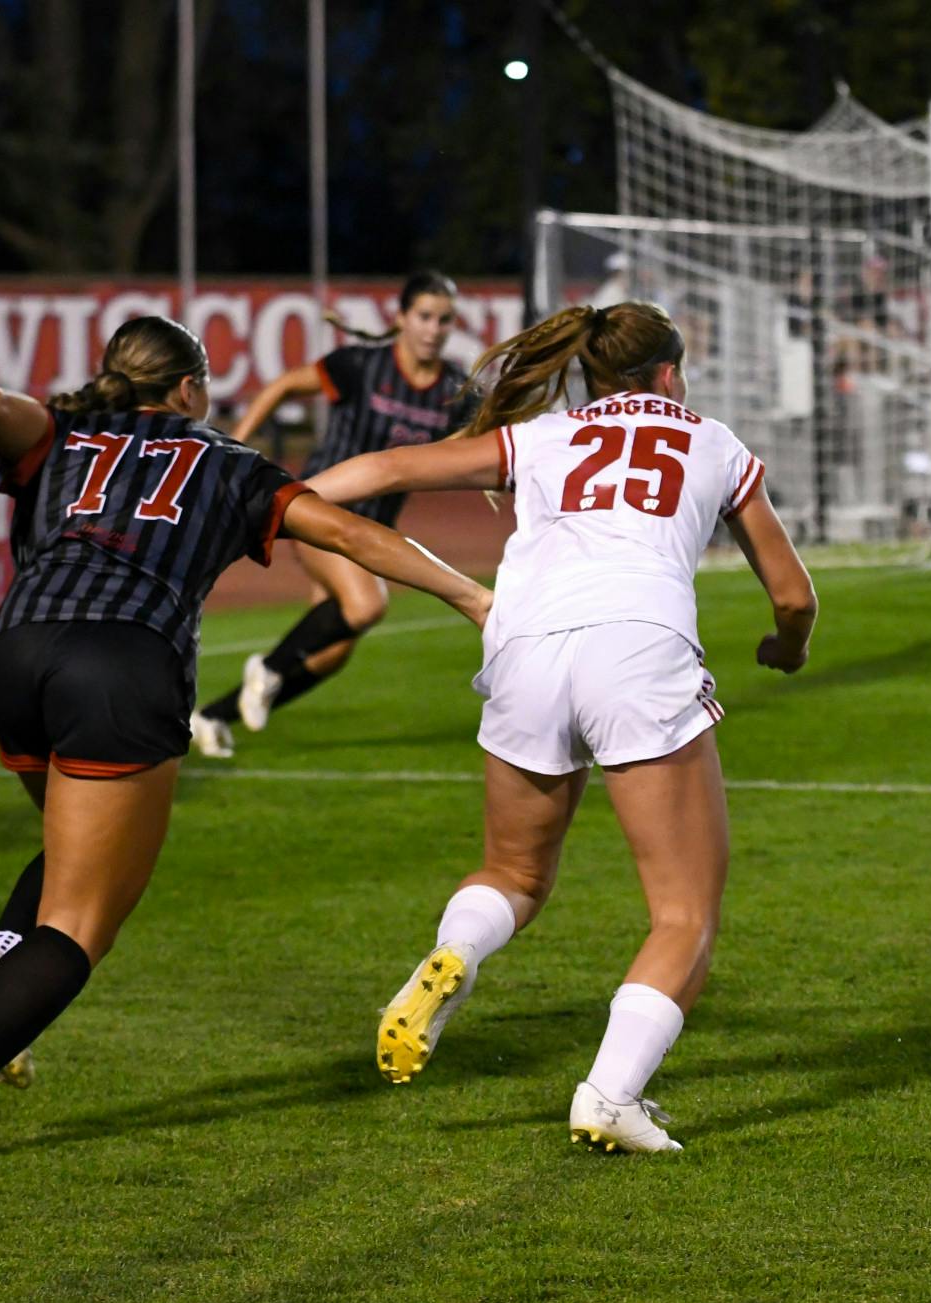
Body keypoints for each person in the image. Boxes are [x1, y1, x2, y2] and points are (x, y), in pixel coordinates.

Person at [0, 315, 491, 1161]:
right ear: (189, 387)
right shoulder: (227, 462)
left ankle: (1, 952)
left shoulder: (64, 429)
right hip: (122, 666)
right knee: (81, 923)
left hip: (17, 654)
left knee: (72, 842)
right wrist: (472, 597)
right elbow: (347, 532)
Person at [305, 301, 817, 1153]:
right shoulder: (713, 441)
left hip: (524, 648)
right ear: (668, 373)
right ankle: (611, 1095)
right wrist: (787, 649)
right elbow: (794, 596)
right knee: (683, 913)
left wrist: (276, 496)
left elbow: (390, 466)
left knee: (513, 870)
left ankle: (457, 951)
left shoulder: (543, 435)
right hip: (636, 645)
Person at [189, 271, 475, 758]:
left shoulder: (453, 390)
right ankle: (268, 669)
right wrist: (234, 444)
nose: (433, 329)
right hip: (320, 510)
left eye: (444, 320)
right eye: (424, 316)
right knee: (366, 606)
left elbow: (476, 443)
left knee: (331, 650)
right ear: (402, 318)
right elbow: (284, 385)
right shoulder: (360, 365)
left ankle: (213, 716)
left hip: (375, 529)